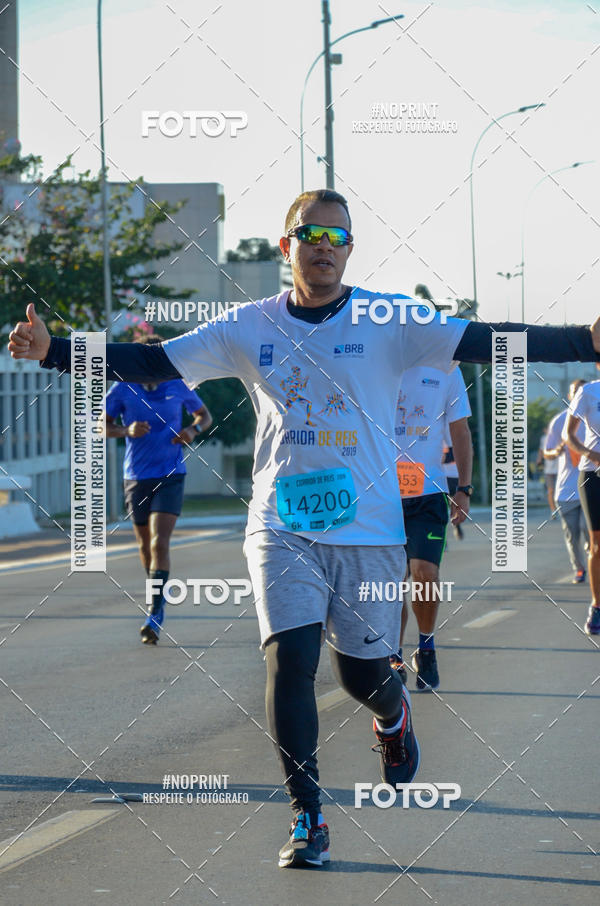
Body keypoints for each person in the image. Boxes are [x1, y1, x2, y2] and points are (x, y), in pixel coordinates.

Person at [9, 189, 600, 869]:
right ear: (286, 245)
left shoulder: (389, 319)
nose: (324, 244)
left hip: (371, 529)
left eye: (338, 236)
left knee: (362, 675)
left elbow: (489, 342)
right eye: (310, 233)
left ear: (349, 250)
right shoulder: (247, 325)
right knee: (289, 662)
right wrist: (56, 351)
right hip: (280, 525)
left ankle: (392, 712)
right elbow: (155, 363)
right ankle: (308, 818)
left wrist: (585, 342)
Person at [104, 335, 213, 644]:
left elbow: (205, 416)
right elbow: (101, 425)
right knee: (145, 549)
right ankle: (157, 597)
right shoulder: (123, 387)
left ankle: (154, 614)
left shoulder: (177, 385)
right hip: (136, 477)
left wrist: (192, 430)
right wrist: (126, 430)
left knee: (158, 542)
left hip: (171, 474)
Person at [390, 366, 472, 690]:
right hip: (382, 496)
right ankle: (393, 655)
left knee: (425, 572)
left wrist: (464, 488)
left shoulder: (447, 368)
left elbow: (460, 431)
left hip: (427, 493)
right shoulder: (377, 350)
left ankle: (426, 647)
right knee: (392, 580)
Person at [544, 380, 588, 584]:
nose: (579, 394)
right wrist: (557, 451)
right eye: (575, 391)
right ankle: (579, 569)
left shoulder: (594, 419)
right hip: (565, 489)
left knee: (589, 531)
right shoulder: (559, 421)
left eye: (582, 390)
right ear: (570, 396)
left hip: (590, 485)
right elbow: (547, 452)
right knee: (572, 534)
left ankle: (592, 560)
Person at [565, 377, 600, 635]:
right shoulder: (589, 391)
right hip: (593, 475)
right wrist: (592, 455)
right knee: (597, 543)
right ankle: (597, 606)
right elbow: (569, 434)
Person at [442, 436, 464, 540]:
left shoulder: (460, 434)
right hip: (443, 475)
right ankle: (442, 538)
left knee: (454, 505)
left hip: (455, 475)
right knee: (442, 507)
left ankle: (457, 525)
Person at [537, 428, 559, 515]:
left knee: (559, 490)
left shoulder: (559, 437)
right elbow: (541, 450)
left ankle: (559, 508)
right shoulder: (543, 438)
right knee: (551, 490)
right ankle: (553, 510)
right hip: (548, 469)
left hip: (559, 469)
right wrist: (539, 459)